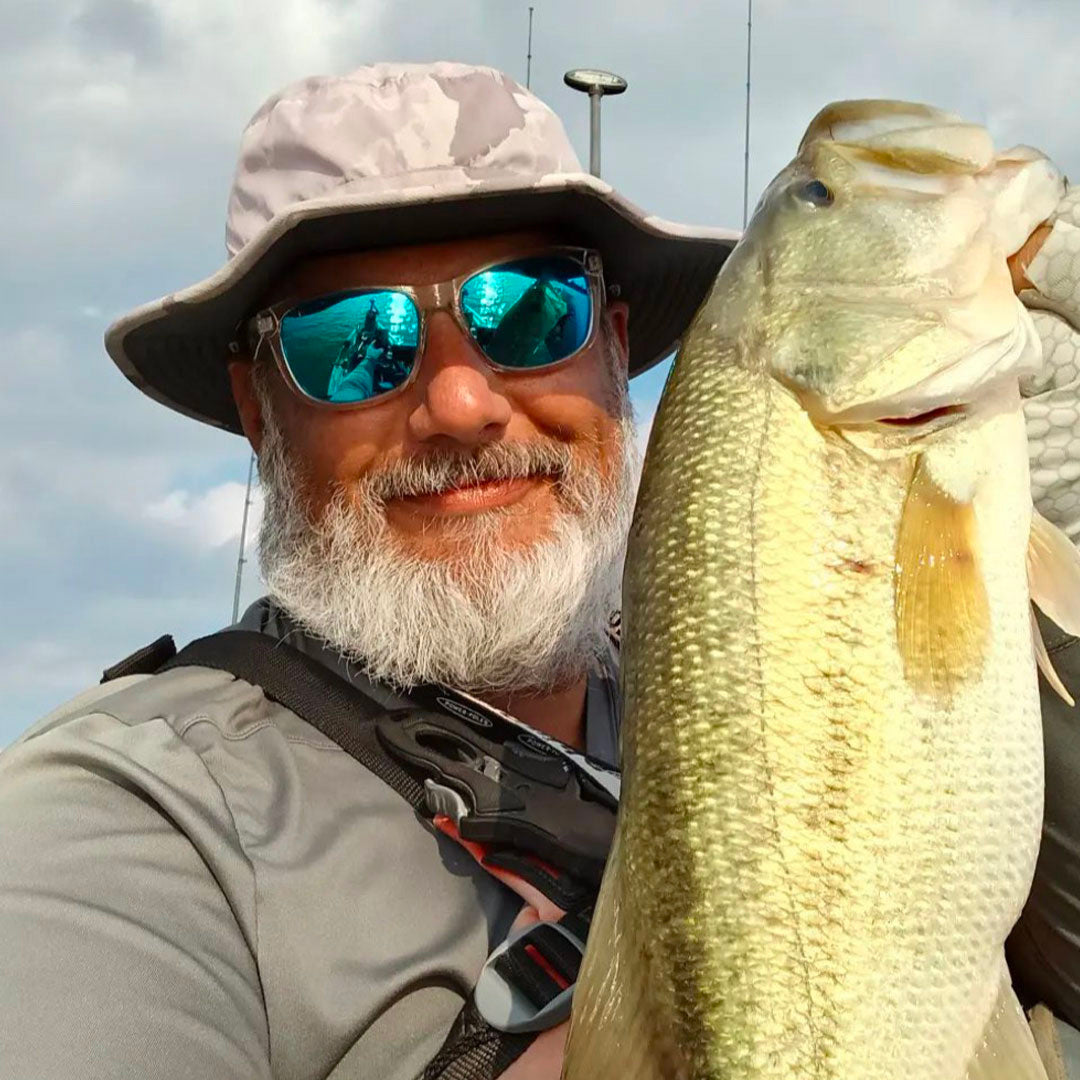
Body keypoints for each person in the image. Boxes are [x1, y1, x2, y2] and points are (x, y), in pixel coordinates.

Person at [0, 60, 1078, 1080]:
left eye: (529, 309)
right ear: (259, 412)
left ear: (612, 351)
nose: (460, 404)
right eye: (350, 341)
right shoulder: (126, 824)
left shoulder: (736, 673)